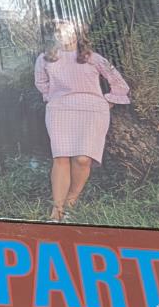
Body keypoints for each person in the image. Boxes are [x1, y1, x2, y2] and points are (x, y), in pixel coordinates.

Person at [34, 19, 130, 221]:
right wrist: (53, 98)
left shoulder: (93, 58)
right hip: (60, 111)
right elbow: (41, 83)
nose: (63, 36)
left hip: (92, 111)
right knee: (60, 158)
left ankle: (70, 202)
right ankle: (57, 210)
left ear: (77, 34)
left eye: (68, 32)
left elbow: (119, 83)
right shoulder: (44, 59)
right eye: (59, 33)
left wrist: (108, 101)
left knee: (83, 159)